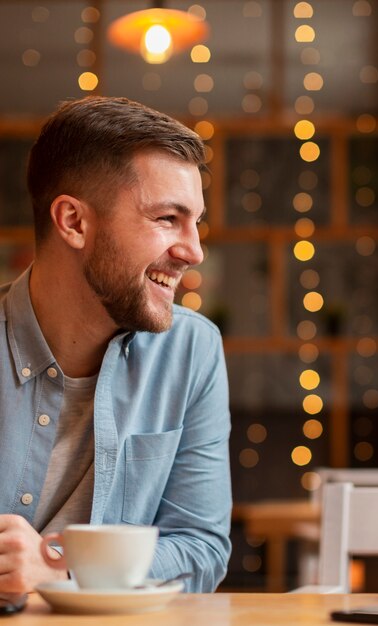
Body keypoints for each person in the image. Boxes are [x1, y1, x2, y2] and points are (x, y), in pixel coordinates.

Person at [0, 96, 231, 593]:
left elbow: (201, 546)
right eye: (168, 218)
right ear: (74, 222)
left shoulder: (192, 352)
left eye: (195, 221)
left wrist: (61, 568)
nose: (193, 250)